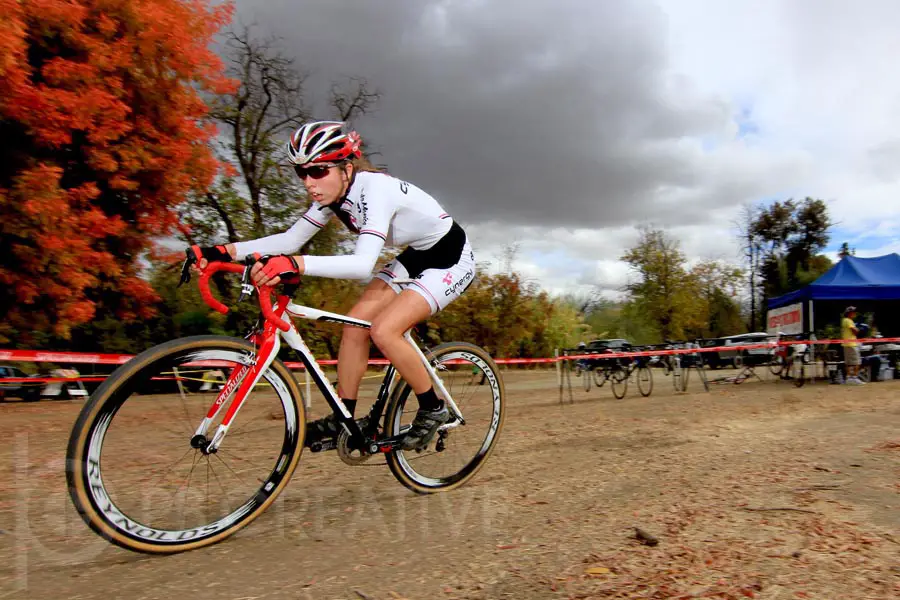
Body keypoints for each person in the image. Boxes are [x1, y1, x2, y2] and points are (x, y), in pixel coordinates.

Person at [185, 121, 477, 450]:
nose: (310, 183)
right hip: (416, 256)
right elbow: (290, 239)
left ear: (346, 168)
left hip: (451, 257)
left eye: (318, 171)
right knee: (353, 326)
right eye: (302, 173)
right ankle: (345, 417)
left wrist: (294, 264)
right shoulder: (333, 195)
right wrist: (222, 250)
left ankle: (433, 408)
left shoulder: (375, 191)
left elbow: (361, 265)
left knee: (383, 330)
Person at [841, 306, 864, 385]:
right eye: (853, 312)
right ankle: (854, 377)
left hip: (846, 344)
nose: (854, 313)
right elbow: (855, 331)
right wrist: (858, 329)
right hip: (851, 344)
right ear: (849, 313)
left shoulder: (844, 320)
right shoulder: (849, 320)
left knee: (848, 362)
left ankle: (848, 378)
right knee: (857, 362)